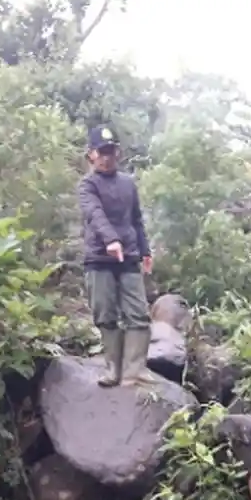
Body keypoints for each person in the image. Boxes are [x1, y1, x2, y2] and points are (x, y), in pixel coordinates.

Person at [76, 125, 155, 388]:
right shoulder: (87, 185)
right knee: (105, 315)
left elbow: (136, 220)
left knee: (138, 314)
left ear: (118, 152)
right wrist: (110, 240)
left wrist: (145, 251)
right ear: (91, 155)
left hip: (129, 257)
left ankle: (135, 372)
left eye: (111, 151)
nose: (107, 157)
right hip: (99, 259)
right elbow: (94, 214)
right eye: (102, 152)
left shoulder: (128, 183)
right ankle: (113, 369)